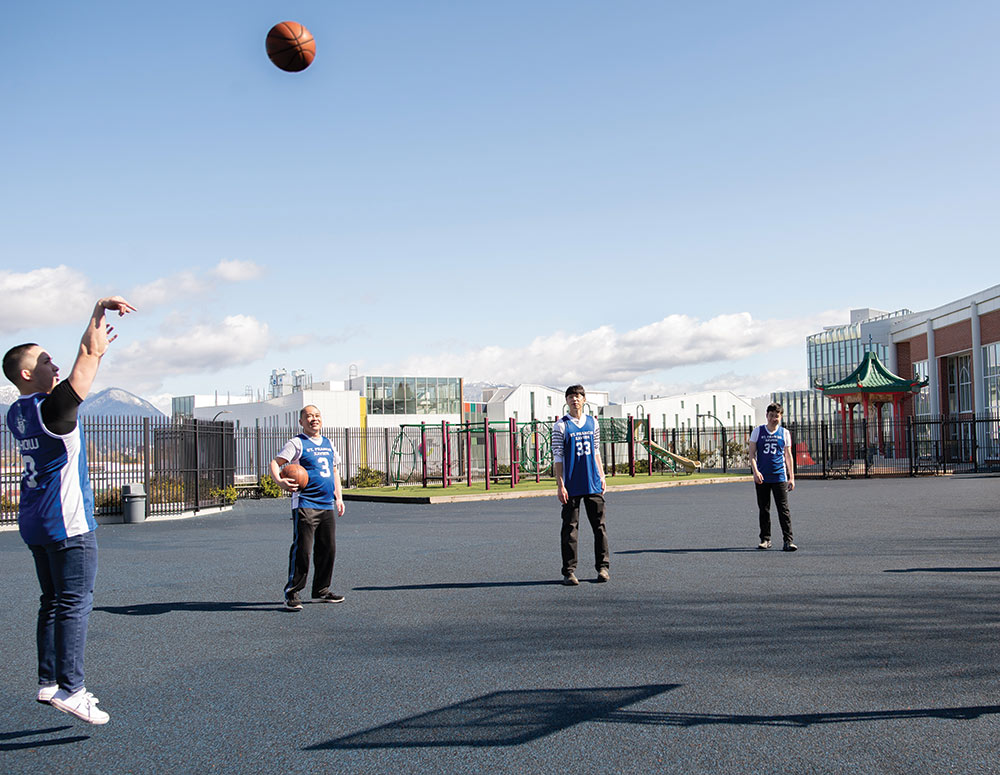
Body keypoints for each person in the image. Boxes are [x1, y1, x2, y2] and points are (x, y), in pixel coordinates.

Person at [3, 296, 136, 725]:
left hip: (35, 521)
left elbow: (83, 355)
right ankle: (72, 689)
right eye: (45, 360)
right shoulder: (52, 410)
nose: (53, 364)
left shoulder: (18, 412)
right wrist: (97, 315)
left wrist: (96, 320)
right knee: (75, 602)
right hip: (66, 522)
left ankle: (48, 681)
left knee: (52, 601)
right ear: (26, 373)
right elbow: (87, 356)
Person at [269, 405, 346, 611]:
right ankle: (292, 592)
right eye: (309, 416)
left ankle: (321, 591)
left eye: (317, 416)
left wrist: (339, 497)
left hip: (326, 504)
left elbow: (334, 470)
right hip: (305, 503)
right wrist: (280, 482)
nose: (314, 419)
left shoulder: (329, 443)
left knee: (328, 549)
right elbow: (275, 463)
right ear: (301, 422)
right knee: (302, 549)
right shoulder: (297, 443)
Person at [552, 385, 609, 585]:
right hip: (571, 484)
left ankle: (603, 568)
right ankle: (569, 572)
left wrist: (602, 476)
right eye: (570, 397)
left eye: (578, 396)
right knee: (570, 529)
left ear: (584, 399)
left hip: (592, 482)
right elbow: (558, 457)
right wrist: (560, 485)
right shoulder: (560, 426)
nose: (575, 400)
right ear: (566, 401)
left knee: (599, 527)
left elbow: (596, 451)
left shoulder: (593, 423)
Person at [749, 402, 797, 552]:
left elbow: (788, 456)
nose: (773, 419)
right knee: (764, 509)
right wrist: (756, 472)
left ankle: (788, 541)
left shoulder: (784, 433)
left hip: (779, 476)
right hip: (762, 477)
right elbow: (751, 454)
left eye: (776, 416)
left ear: (780, 417)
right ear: (766, 416)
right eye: (771, 416)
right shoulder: (758, 432)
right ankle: (765, 539)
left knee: (783, 509)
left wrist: (791, 477)